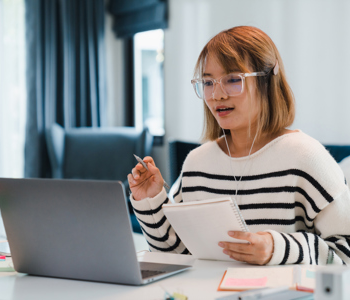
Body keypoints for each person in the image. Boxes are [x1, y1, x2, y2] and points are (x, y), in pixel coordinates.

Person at [127, 26, 350, 266]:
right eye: (208, 82)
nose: (217, 95)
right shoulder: (196, 163)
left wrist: (277, 248)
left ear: (267, 82)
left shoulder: (307, 157)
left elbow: (344, 253)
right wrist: (151, 202)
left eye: (233, 79)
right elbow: (179, 255)